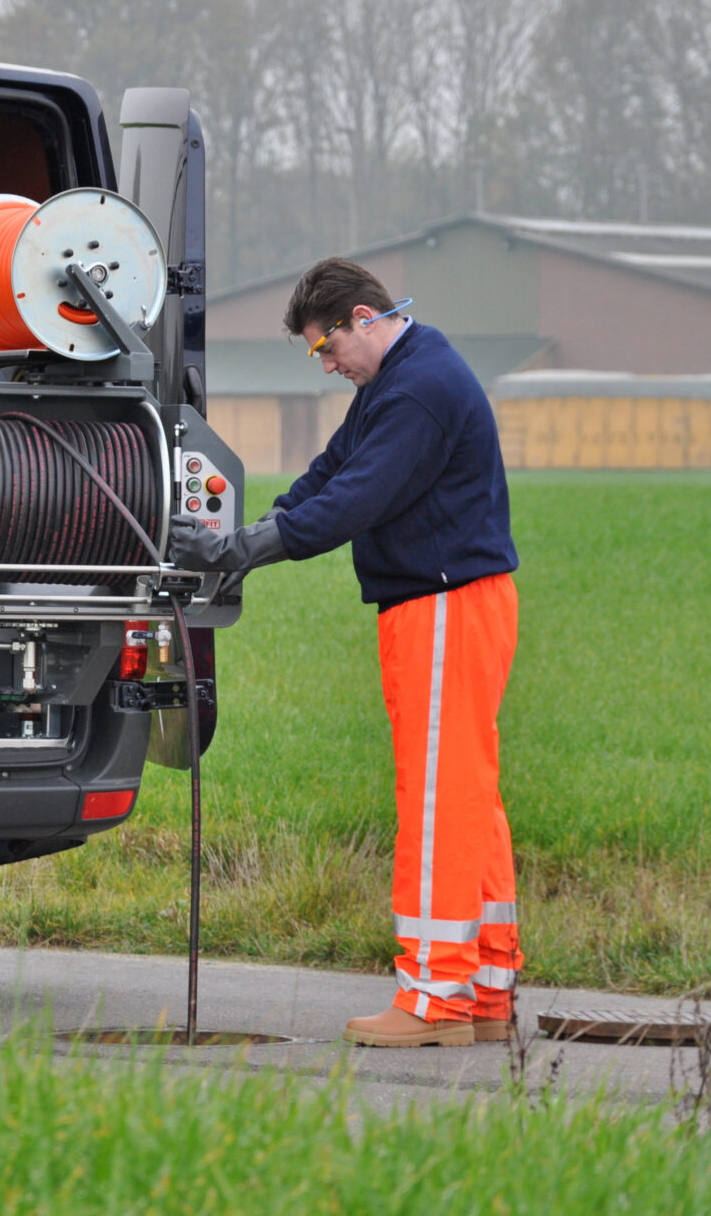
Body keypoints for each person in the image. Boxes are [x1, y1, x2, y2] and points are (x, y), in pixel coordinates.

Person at [167, 257, 521, 1048]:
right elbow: (330, 473)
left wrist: (249, 548)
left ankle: (433, 999)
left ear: (365, 317)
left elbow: (359, 499)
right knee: (468, 794)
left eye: (327, 348)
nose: (327, 364)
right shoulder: (396, 380)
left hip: (443, 605)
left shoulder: (420, 391)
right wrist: (241, 532)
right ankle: (486, 988)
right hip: (447, 602)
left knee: (437, 803)